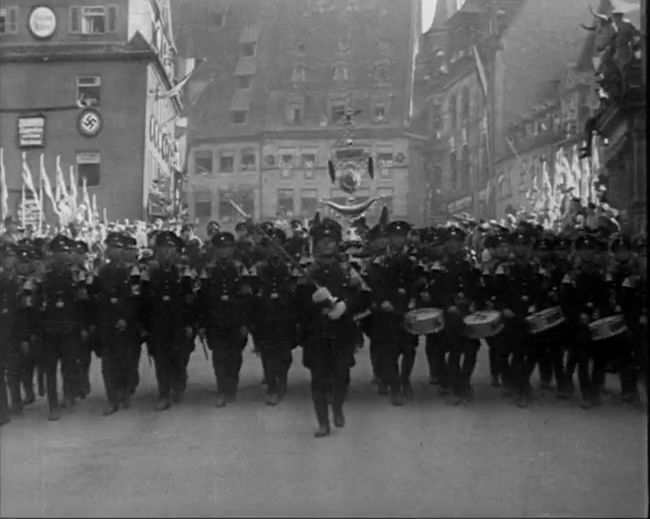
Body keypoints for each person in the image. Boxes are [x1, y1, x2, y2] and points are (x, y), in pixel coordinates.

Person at [296, 216, 368, 437]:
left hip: (342, 331)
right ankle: (323, 422)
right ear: (314, 243)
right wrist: (311, 300)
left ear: (338, 243)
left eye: (331, 241)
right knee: (318, 378)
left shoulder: (348, 268)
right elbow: (294, 303)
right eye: (321, 240)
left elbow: (364, 296)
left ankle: (337, 406)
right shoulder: (305, 269)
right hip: (316, 331)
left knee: (341, 376)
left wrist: (346, 305)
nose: (326, 244)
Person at [197, 231, 251, 407]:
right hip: (215, 319)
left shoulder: (240, 268)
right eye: (220, 248)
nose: (223, 252)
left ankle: (231, 387)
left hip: (235, 319)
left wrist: (245, 322)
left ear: (233, 249)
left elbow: (246, 298)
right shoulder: (208, 269)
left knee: (235, 356)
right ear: (214, 250)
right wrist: (202, 323)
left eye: (227, 248)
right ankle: (222, 389)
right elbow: (203, 298)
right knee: (219, 356)